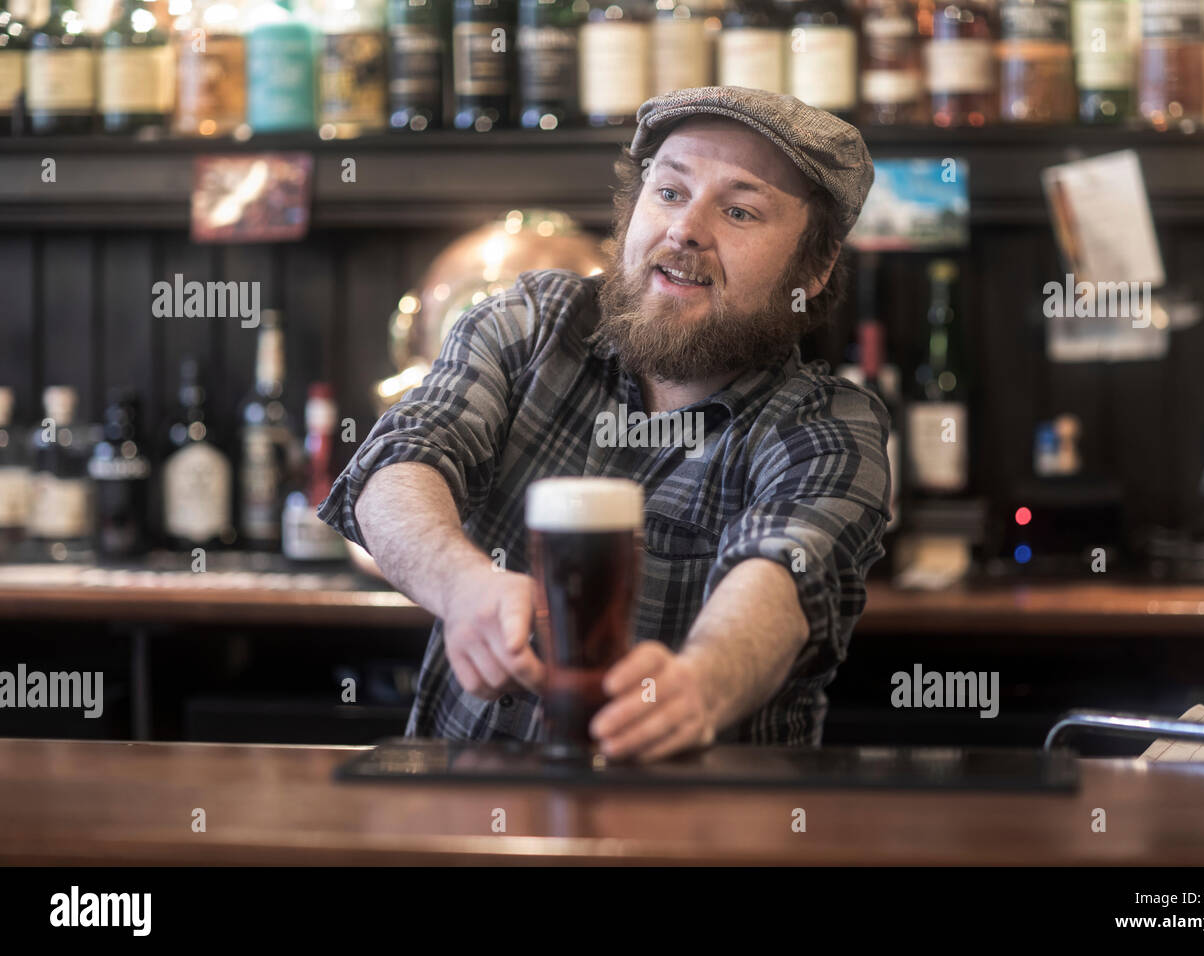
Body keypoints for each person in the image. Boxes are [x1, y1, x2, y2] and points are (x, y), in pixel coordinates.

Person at [318, 86, 892, 760]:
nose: (686, 230)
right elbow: (401, 462)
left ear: (815, 269)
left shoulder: (828, 426)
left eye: (739, 210)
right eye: (670, 192)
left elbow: (784, 579)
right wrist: (460, 582)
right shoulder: (531, 325)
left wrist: (700, 684)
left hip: (696, 837)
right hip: (465, 827)